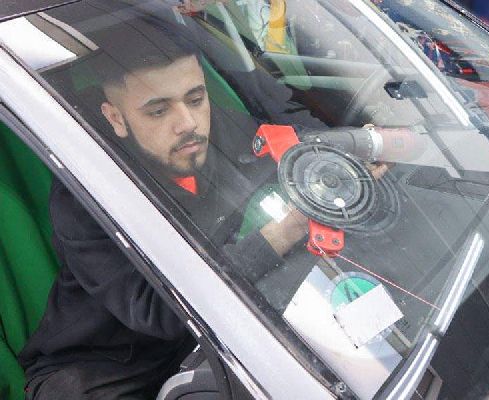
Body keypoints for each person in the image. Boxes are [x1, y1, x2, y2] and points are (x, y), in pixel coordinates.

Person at [18, 12, 305, 400]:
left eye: (195, 98)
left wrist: (355, 150)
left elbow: (294, 146)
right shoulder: (85, 190)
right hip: (105, 366)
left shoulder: (214, 130)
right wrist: (279, 237)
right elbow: (156, 309)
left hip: (212, 338)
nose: (188, 123)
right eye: (158, 110)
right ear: (116, 118)